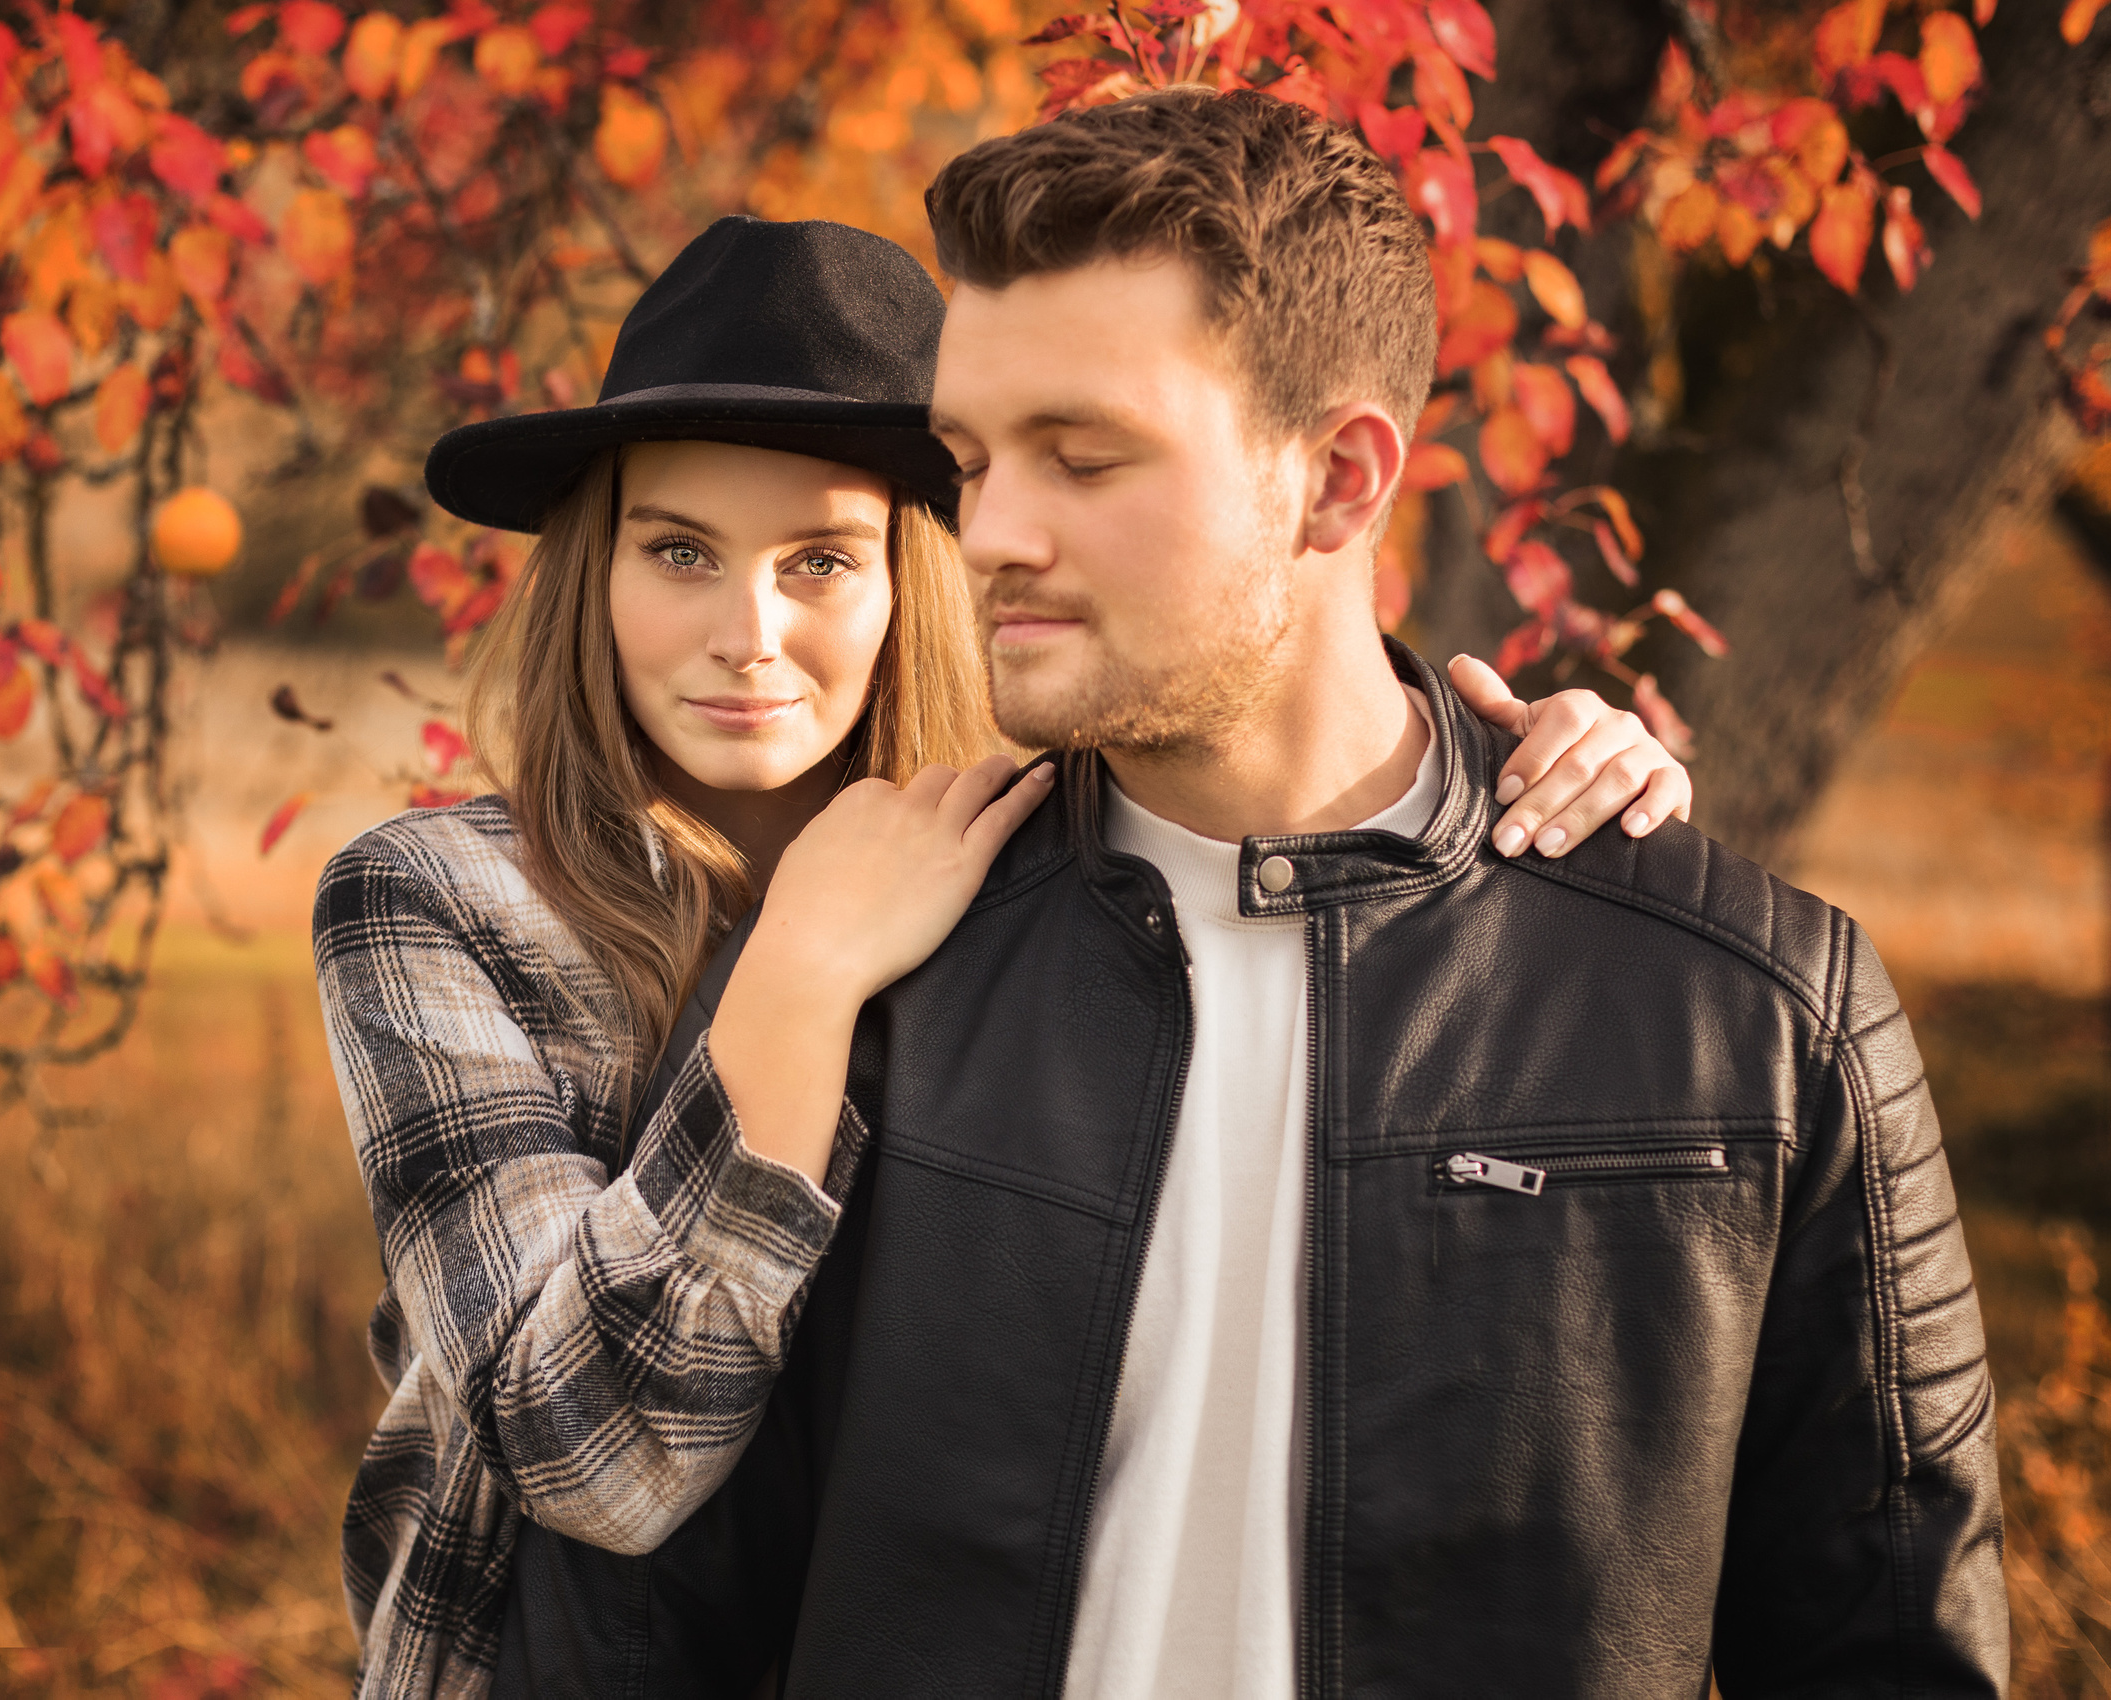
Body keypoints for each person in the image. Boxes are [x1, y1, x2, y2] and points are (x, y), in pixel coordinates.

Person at [492, 92, 2007, 1697]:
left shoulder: (1748, 1014)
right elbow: (629, 1641)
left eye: (1082, 457)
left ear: (1339, 481)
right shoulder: (856, 973)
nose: (987, 535)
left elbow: (1888, 1657)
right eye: (970, 463)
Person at [313, 214, 1697, 1697]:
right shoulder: (443, 903)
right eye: (679, 552)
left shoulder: (1049, 887)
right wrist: (799, 976)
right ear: (595, 570)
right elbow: (589, 1458)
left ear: (922, 574)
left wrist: (1515, 780)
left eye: (822, 560)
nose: (747, 633)